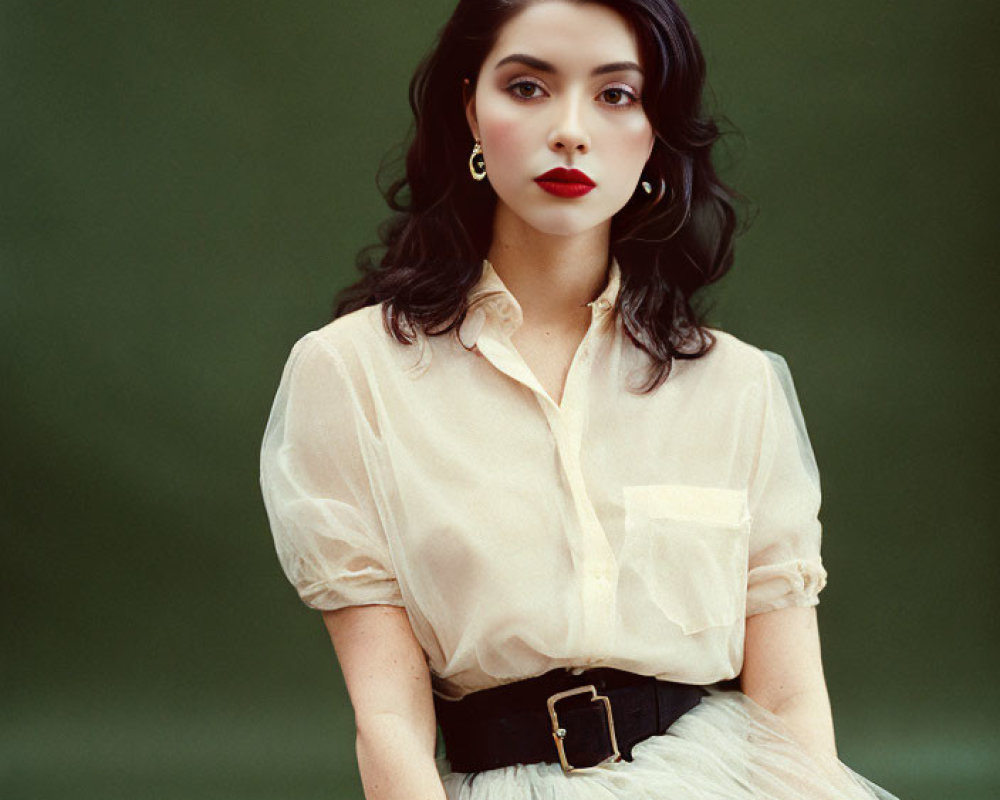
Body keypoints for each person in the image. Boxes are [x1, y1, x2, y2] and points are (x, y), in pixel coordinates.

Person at [259, 1, 902, 797]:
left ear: (656, 132)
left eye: (616, 94)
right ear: (470, 110)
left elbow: (790, 698)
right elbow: (389, 724)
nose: (569, 130)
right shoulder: (351, 374)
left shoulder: (739, 386)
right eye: (527, 87)